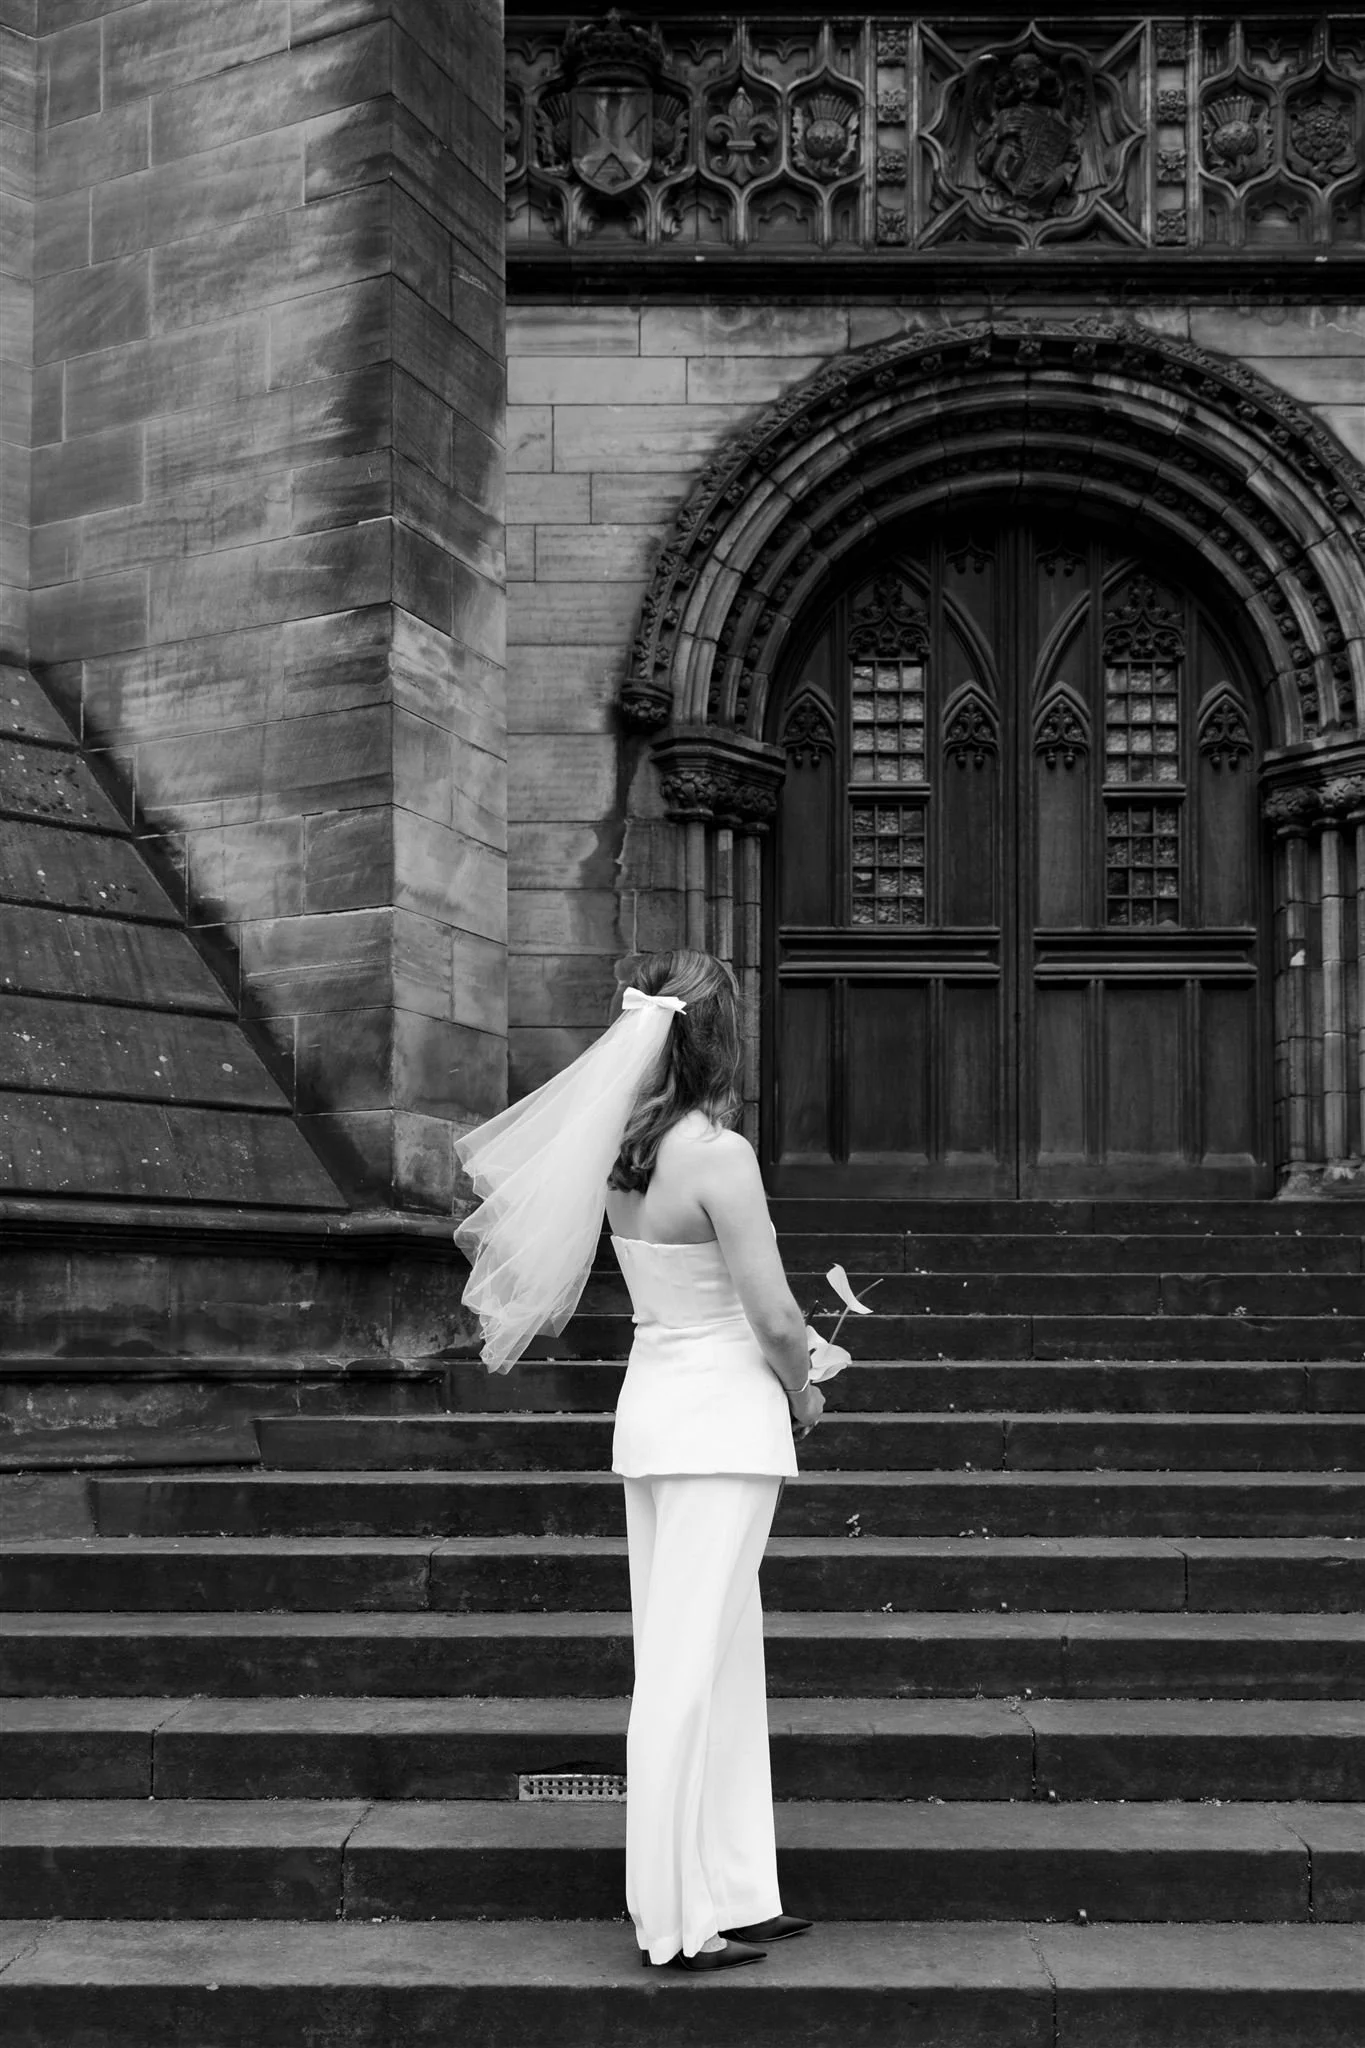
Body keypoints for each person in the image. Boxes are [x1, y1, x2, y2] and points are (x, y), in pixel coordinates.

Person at [454, 948, 825, 1975]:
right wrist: (807, 1386)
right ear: (723, 1042)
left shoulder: (624, 1149)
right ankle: (672, 1915)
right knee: (682, 1672)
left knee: (717, 1654)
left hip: (658, 1411)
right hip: (719, 1424)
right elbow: (777, 1313)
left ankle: (739, 1885)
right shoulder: (720, 1154)